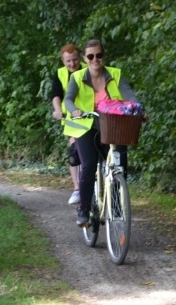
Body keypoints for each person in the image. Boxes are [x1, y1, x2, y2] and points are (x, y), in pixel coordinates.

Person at [64, 38, 140, 227]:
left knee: (120, 163)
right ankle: (84, 209)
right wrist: (74, 110)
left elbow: (129, 95)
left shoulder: (115, 74)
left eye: (99, 55)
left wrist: (138, 108)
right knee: (89, 164)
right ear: (85, 58)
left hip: (113, 125)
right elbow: (68, 100)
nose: (95, 59)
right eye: (90, 56)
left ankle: (115, 205)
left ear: (103, 56)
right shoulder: (77, 77)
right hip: (85, 126)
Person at [50, 43, 86, 205]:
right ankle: (78, 188)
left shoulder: (89, 68)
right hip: (72, 117)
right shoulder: (60, 74)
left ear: (80, 58)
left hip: (90, 114)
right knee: (75, 149)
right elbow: (56, 94)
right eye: (68, 61)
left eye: (75, 60)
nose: (72, 64)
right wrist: (58, 110)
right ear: (63, 61)